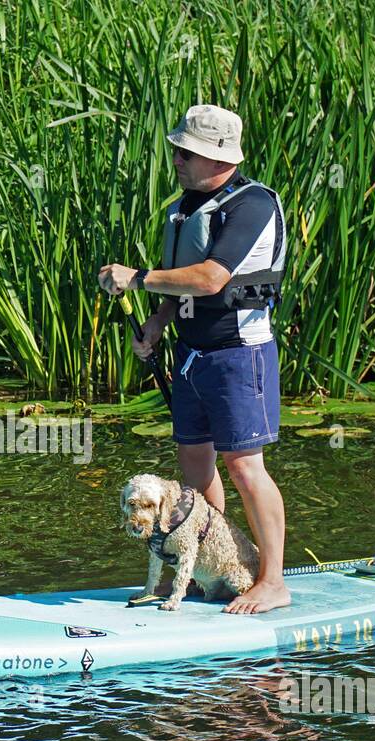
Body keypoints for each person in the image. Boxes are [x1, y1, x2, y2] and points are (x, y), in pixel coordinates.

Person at [98, 104, 290, 614]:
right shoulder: (186, 206)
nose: (177, 158)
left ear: (217, 157)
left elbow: (210, 279)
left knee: (246, 467)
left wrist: (136, 276)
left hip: (238, 354)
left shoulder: (252, 206)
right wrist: (157, 325)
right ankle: (207, 568)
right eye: (178, 149)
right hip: (190, 356)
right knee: (195, 466)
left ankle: (273, 582)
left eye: (186, 152)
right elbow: (179, 281)